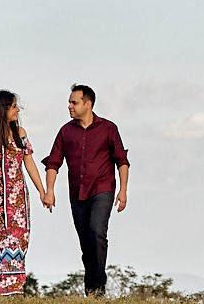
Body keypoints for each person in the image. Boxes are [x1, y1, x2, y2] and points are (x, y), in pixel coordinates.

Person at [42, 84, 130, 297]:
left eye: (74, 102)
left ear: (87, 104)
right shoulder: (65, 131)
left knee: (97, 232)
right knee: (86, 242)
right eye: (70, 102)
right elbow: (53, 163)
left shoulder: (109, 128)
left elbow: (122, 161)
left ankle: (97, 289)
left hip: (103, 189)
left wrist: (123, 190)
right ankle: (91, 290)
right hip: (77, 194)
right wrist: (49, 190)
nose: (69, 106)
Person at [0, 90, 51, 297]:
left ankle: (13, 289)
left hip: (18, 202)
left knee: (17, 241)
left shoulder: (20, 134)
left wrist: (42, 191)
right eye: (14, 106)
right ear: (2, 109)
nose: (18, 110)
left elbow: (29, 163)